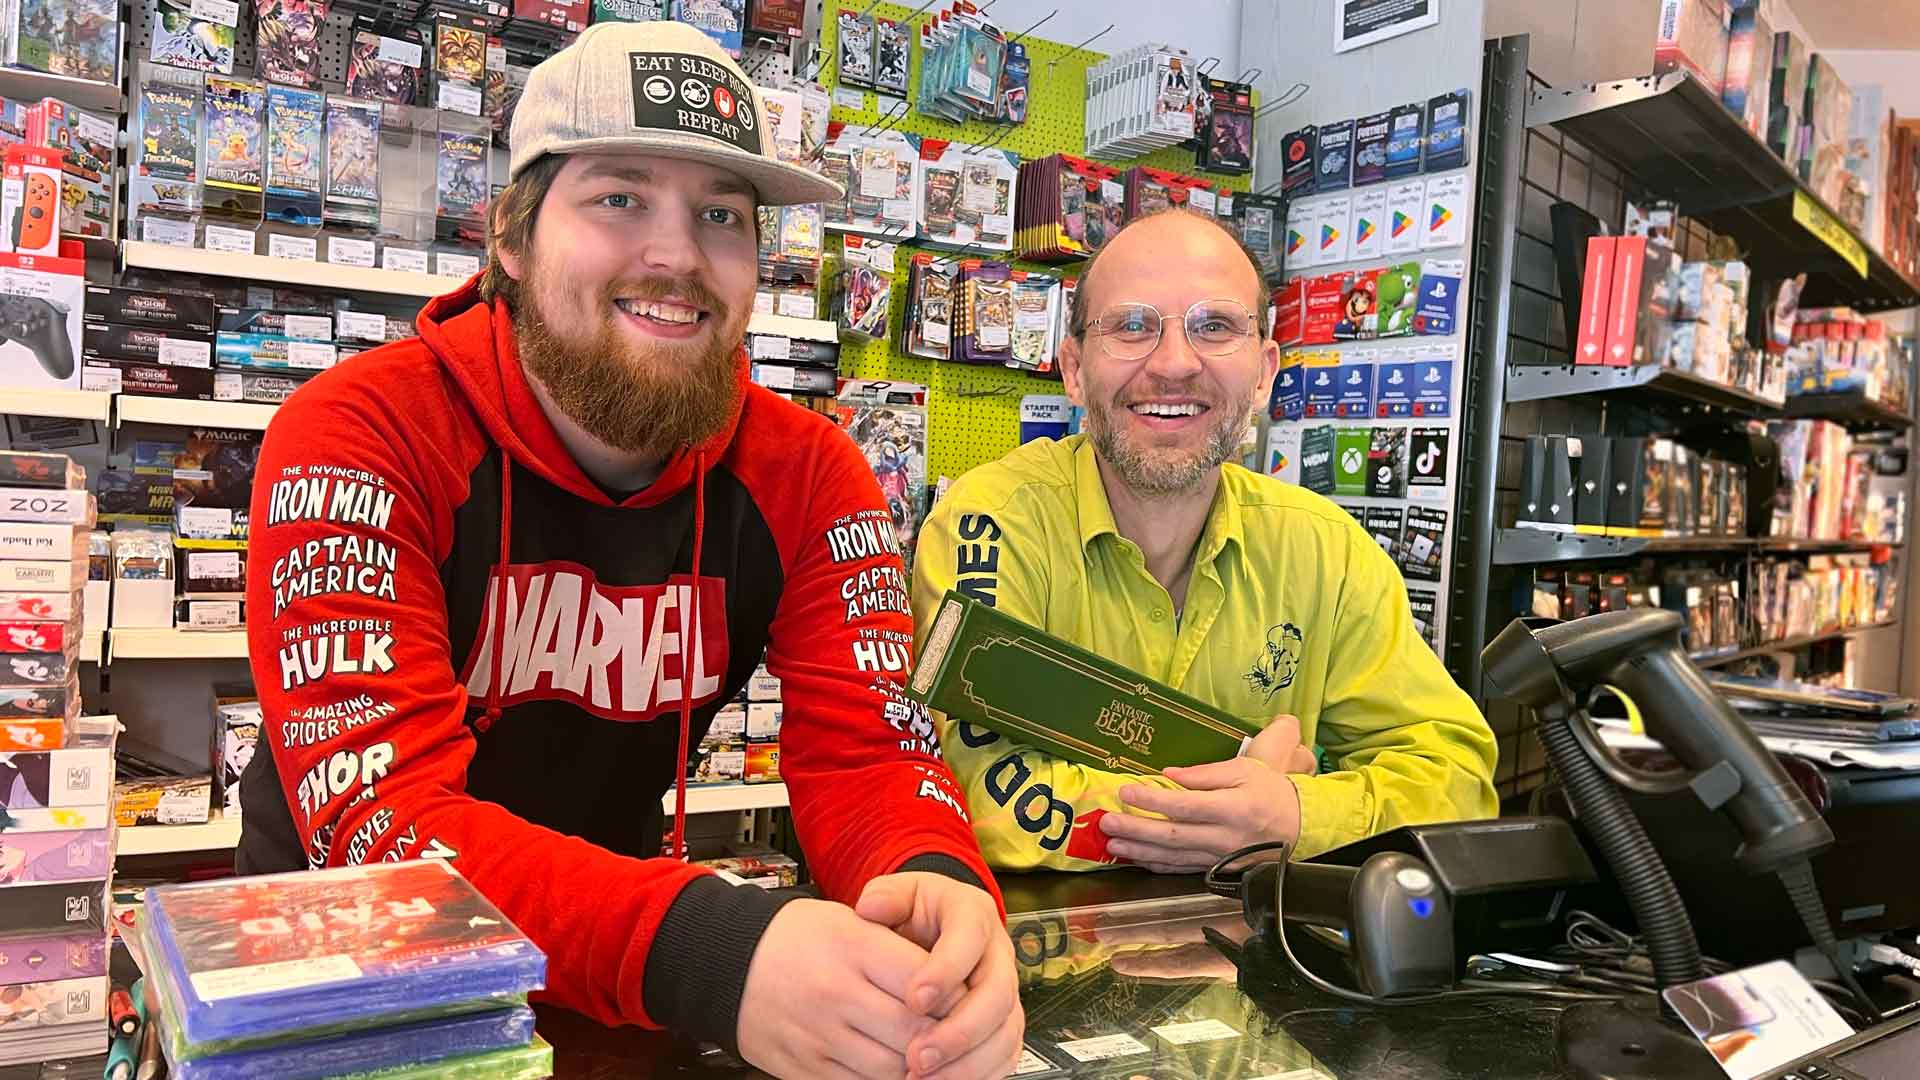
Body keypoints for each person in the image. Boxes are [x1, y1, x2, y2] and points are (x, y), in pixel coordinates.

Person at [238, 21, 1021, 1079]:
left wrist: (934, 886)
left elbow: (869, 748)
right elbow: (385, 824)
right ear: (511, 237)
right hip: (344, 987)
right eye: (619, 197)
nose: (677, 255)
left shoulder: (812, 471)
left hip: (609, 992)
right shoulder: (359, 431)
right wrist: (713, 950)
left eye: (721, 215)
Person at [911, 208, 1498, 873]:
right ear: (1073, 369)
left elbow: (1455, 780)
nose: (1173, 364)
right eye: (1132, 326)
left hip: (1273, 964)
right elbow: (972, 798)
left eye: (1214, 326)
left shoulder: (1327, 551)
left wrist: (1297, 814)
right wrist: (1238, 798)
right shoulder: (992, 524)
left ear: (1263, 371)